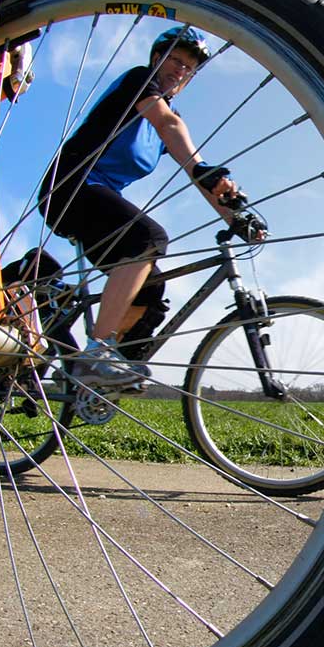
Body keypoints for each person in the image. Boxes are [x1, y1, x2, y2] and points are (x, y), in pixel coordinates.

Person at [38, 26, 239, 386]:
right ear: (156, 59)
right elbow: (168, 123)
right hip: (69, 187)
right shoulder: (139, 83)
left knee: (152, 289)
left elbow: (196, 172)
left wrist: (234, 214)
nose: (180, 70)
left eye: (188, 68)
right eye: (175, 59)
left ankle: (99, 374)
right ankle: (96, 352)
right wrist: (203, 170)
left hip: (99, 196)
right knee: (147, 237)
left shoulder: (167, 127)